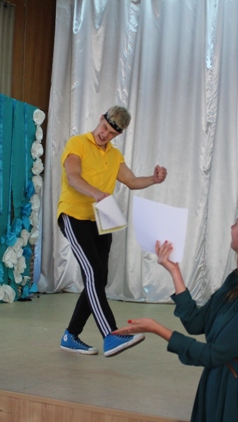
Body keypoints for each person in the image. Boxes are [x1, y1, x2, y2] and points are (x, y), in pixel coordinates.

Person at [114, 202, 238, 421]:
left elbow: (212, 354)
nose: (231, 227)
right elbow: (196, 323)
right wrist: (175, 272)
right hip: (217, 381)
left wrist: (157, 329)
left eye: (237, 224)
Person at [58, 105, 167, 357]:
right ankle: (110, 335)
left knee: (98, 278)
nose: (104, 134)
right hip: (74, 215)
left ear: (118, 135)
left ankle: (70, 335)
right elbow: (72, 176)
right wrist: (96, 193)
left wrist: (153, 179)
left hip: (101, 218)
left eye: (111, 133)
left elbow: (131, 181)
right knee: (94, 273)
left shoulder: (115, 155)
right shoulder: (77, 143)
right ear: (100, 119)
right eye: (104, 128)